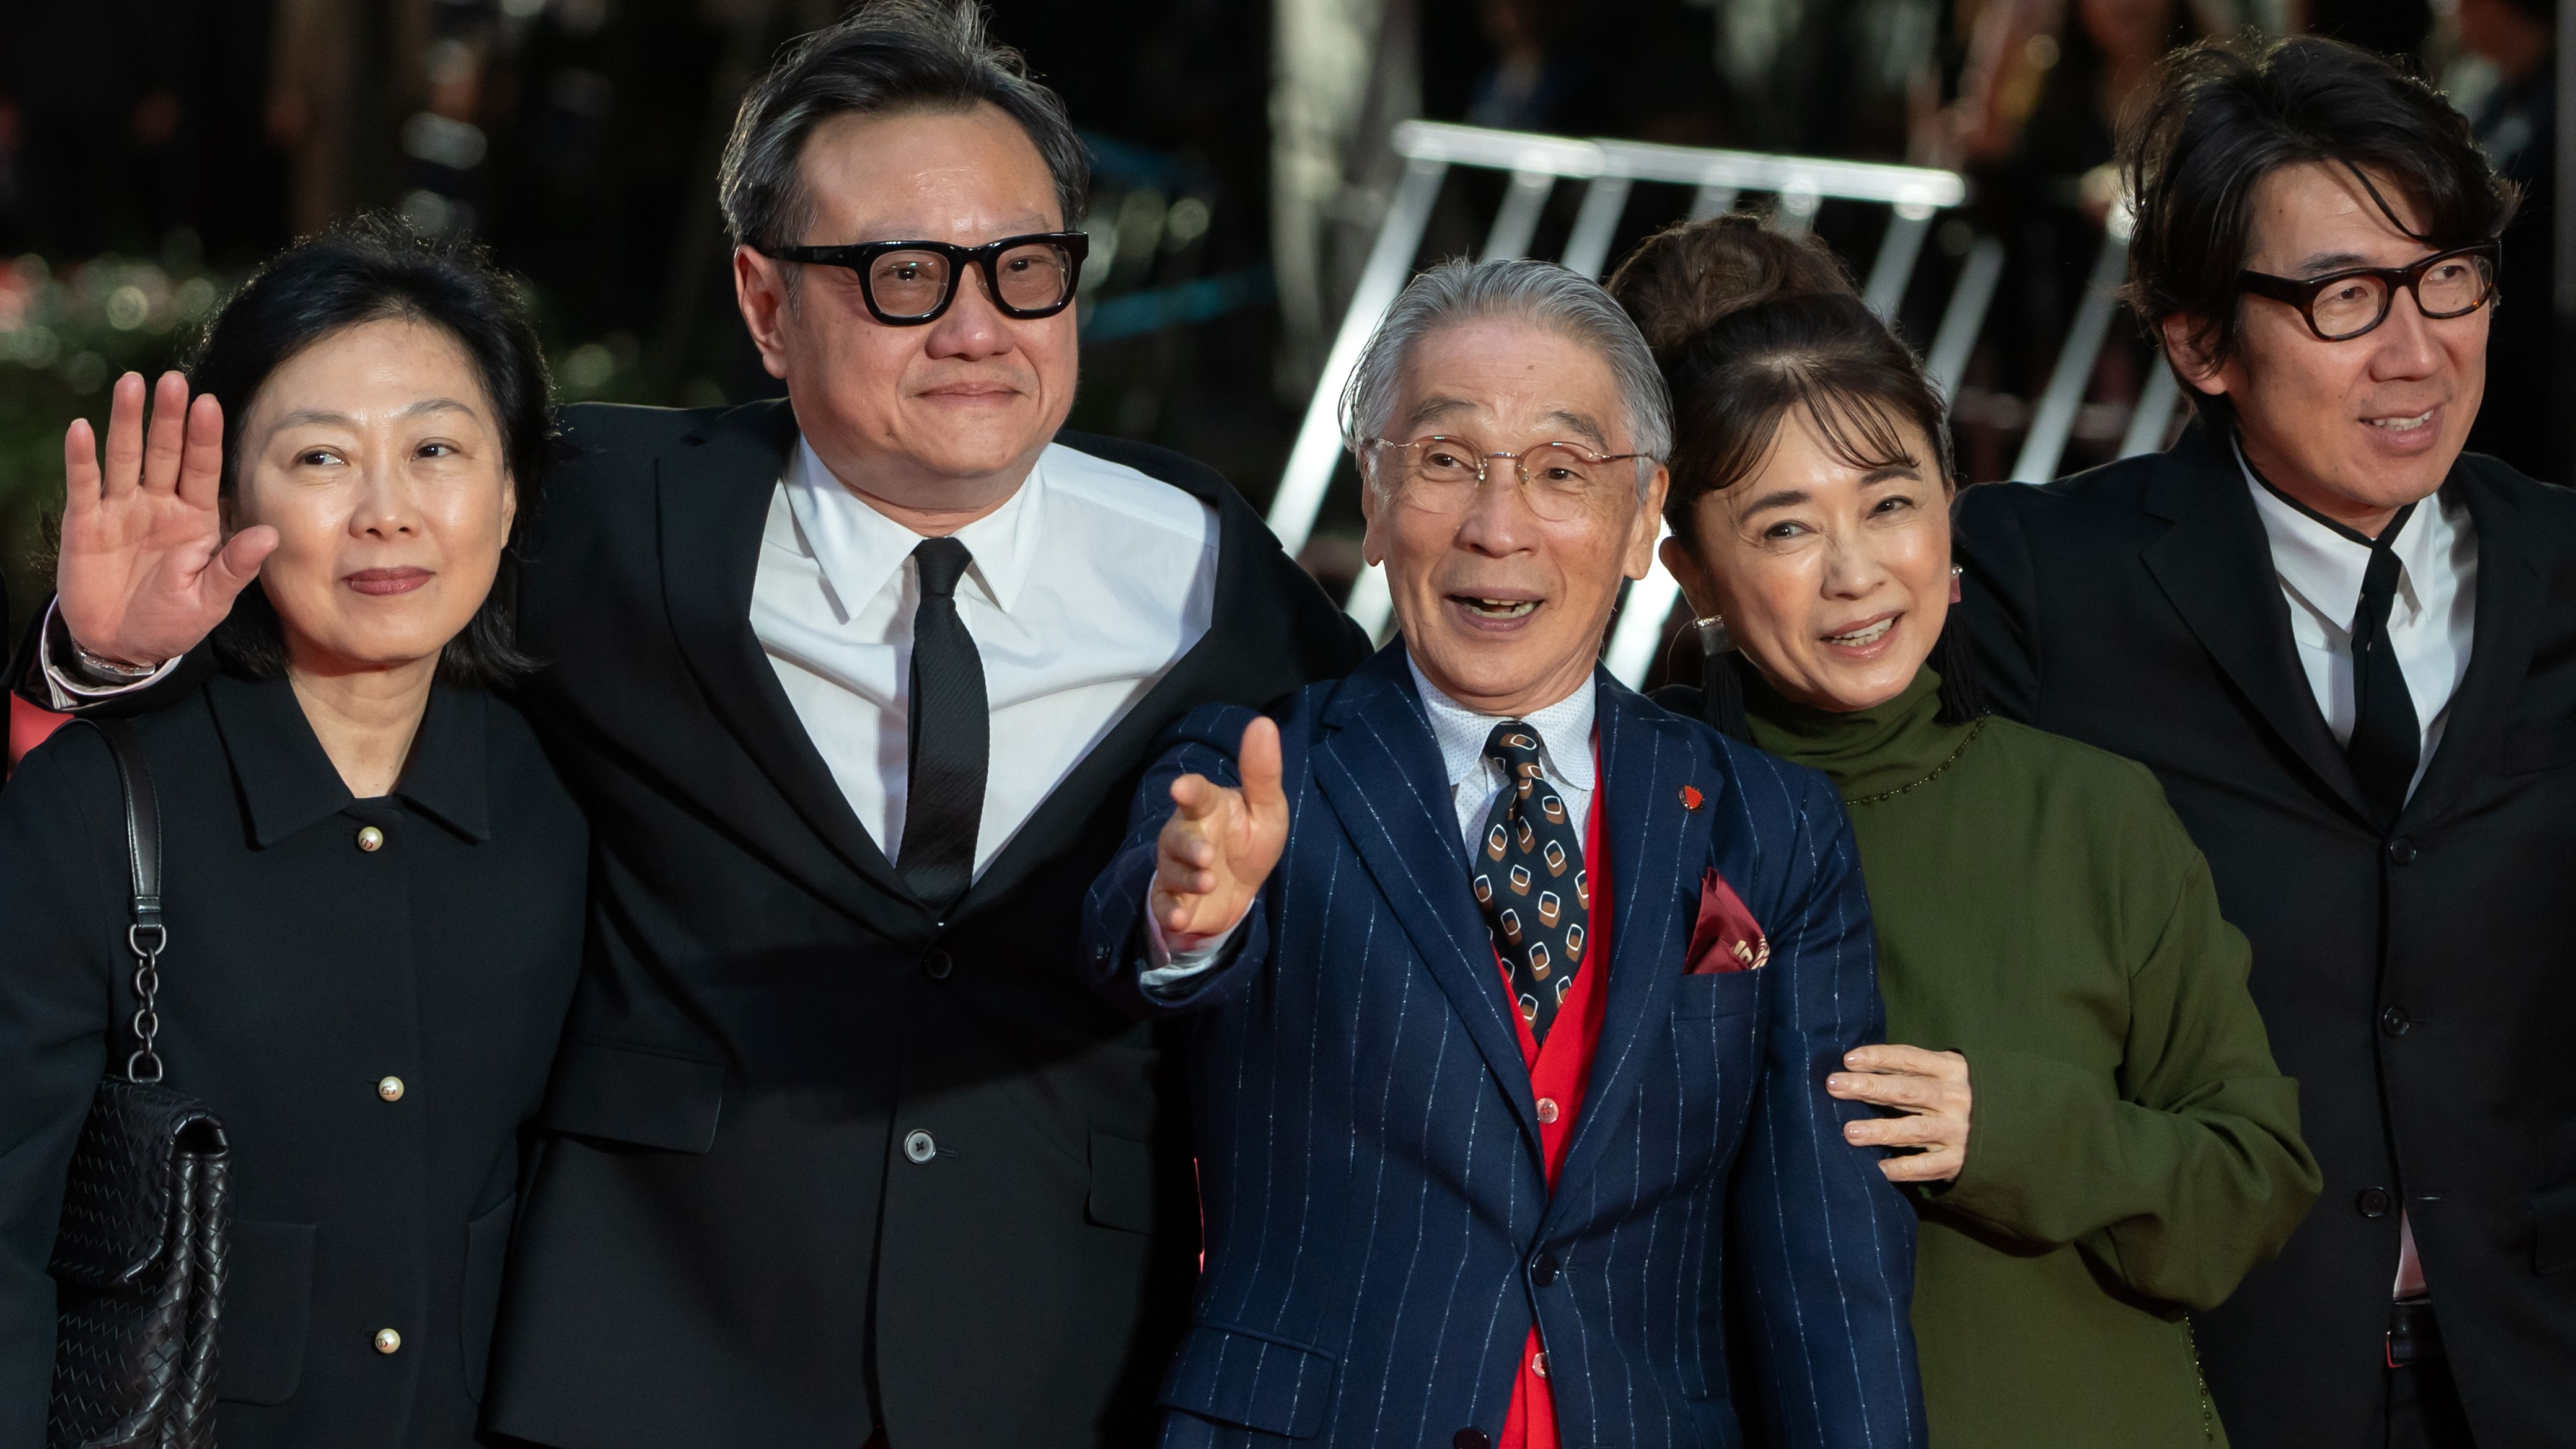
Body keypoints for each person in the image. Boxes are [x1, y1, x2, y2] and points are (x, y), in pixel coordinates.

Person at [20, 4, 1366, 1447]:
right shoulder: (601, 512)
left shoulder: (1201, 562)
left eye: (1025, 270)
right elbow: (340, 600)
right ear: (767, 303)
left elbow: (1395, 811)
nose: (978, 329)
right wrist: (95, 657)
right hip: (652, 1357)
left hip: (1058, 1354)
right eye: (905, 274)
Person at [1079, 258, 1927, 1448]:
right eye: (1442, 461)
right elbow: (1133, 940)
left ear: (1642, 520)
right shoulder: (1257, 768)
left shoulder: (1771, 826)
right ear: (1372, 500)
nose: (1498, 525)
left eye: (1561, 471)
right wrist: (1190, 916)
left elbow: (1830, 1260)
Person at [1950, 35, 2576, 1449]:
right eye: (2346, 297)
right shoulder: (2044, 585)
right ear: (2198, 340)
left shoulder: (2566, 568)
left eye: (2450, 277)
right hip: (2202, 1374)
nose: (2418, 348)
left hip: (2532, 1369)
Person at [1606, 214, 2321, 1448]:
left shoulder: (2095, 814)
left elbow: (2251, 1184)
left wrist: (2016, 1131)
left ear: (1951, 516)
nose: (1854, 571)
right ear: (1690, 568)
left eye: (1889, 504)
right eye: (1785, 526)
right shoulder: (1627, 829)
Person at [0, 217, 586, 1447]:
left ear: (513, 483)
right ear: (228, 497)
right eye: (321, 458)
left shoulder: (567, 794)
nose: (387, 512)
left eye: (437, 447)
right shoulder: (98, 809)